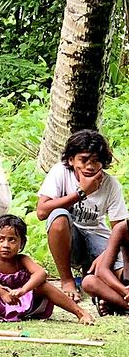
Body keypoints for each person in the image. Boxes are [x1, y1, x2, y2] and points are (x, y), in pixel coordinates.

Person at [0, 214, 94, 325]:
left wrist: (23, 290)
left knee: (43, 285)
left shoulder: (22, 260)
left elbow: (41, 273)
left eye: (12, 240)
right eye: (1, 239)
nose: (6, 245)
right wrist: (1, 291)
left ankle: (80, 312)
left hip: (20, 302)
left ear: (21, 244)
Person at [36, 129, 127, 302]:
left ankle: (107, 293)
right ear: (71, 160)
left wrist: (105, 256)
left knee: (121, 273)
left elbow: (121, 229)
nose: (90, 167)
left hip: (98, 238)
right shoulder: (61, 172)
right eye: (83, 160)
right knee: (59, 215)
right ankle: (67, 280)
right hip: (70, 239)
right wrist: (81, 193)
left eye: (96, 161)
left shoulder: (111, 184)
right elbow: (41, 212)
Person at [82, 220, 129, 316]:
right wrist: (125, 291)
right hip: (125, 284)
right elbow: (102, 270)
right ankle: (121, 303)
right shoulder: (122, 228)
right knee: (89, 282)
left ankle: (117, 305)